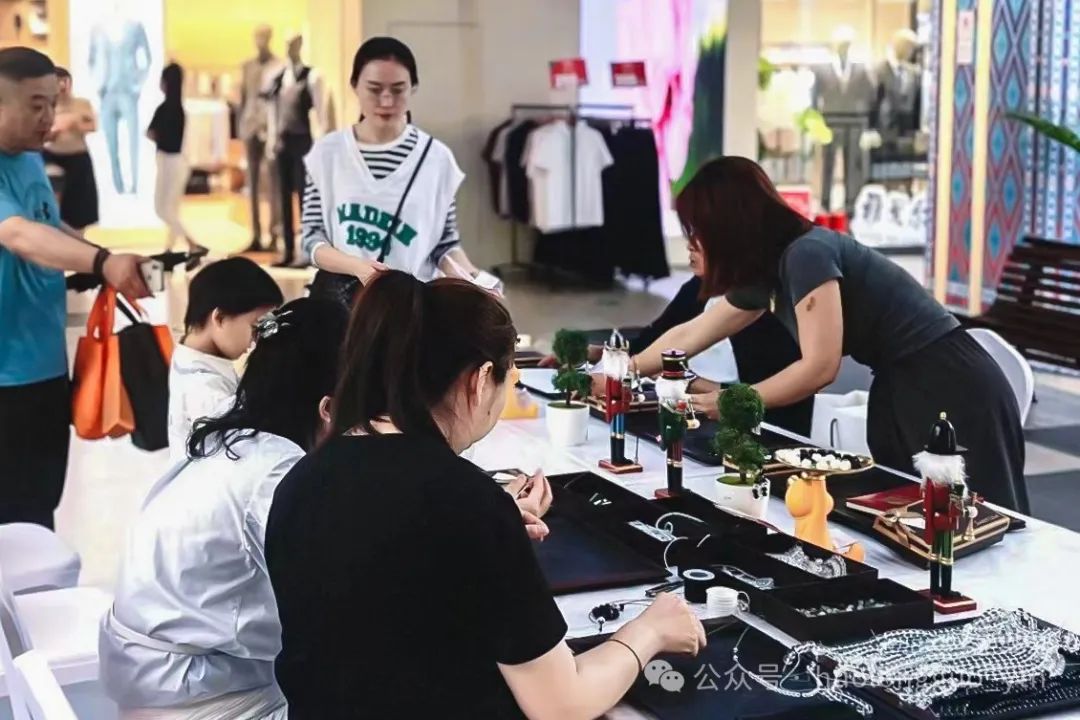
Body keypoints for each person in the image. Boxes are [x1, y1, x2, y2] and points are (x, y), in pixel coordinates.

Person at [265, 270, 706, 718]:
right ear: (479, 380)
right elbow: (562, 705)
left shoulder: (304, 478)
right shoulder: (465, 500)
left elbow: (381, 567)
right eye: (507, 381)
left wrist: (490, 527)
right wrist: (650, 631)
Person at [625, 156, 1027, 512]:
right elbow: (694, 332)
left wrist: (729, 401)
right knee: (918, 517)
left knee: (979, 518)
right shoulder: (770, 270)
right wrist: (625, 371)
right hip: (905, 382)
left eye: (696, 231)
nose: (691, 244)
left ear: (727, 227)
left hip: (947, 383)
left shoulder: (807, 254)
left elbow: (820, 367)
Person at [100, 298, 347, 719]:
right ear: (328, 404)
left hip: (151, 675)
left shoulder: (226, 434)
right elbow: (330, 597)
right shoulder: (277, 472)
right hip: (199, 695)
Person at [0, 47, 148, 528]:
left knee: (39, 506)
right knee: (13, 519)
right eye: (35, 105)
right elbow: (20, 235)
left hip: (43, 366)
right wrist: (102, 262)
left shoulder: (27, 157)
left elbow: (48, 224)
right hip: (6, 378)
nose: (49, 118)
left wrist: (104, 260)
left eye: (52, 103)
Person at [542, 240, 813, 435]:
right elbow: (650, 344)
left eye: (701, 239)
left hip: (752, 428)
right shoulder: (697, 289)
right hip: (692, 414)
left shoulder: (759, 310)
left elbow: (772, 397)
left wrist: (685, 381)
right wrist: (596, 353)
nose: (690, 247)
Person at [302, 37, 482, 305]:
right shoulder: (327, 154)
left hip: (410, 306)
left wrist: (473, 280)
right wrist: (358, 268)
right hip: (343, 305)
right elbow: (311, 240)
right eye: (374, 89)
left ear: (413, 88)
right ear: (355, 86)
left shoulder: (437, 159)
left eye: (398, 90)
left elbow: (445, 246)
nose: (386, 100)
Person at [167, 257, 283, 463]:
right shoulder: (208, 392)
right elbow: (239, 460)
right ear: (219, 318)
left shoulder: (187, 353)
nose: (259, 338)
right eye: (255, 327)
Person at [148, 62, 204, 253]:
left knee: (162, 209)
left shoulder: (164, 109)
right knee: (172, 209)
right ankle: (169, 248)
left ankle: (192, 243)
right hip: (180, 161)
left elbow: (152, 133)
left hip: (168, 161)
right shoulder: (180, 110)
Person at [239, 24, 283, 253]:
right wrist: (241, 128)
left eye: (264, 37)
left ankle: (274, 234)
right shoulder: (247, 66)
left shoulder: (279, 66)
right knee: (253, 185)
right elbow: (243, 98)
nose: (261, 41)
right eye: (258, 37)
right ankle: (255, 235)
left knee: (273, 184)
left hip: (270, 129)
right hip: (250, 128)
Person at [43, 66, 100, 230]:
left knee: (80, 205)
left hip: (77, 156)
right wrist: (55, 130)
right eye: (57, 82)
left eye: (65, 81)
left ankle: (78, 236)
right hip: (52, 156)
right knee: (52, 199)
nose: (62, 86)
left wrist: (74, 123)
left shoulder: (82, 104)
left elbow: (92, 126)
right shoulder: (46, 105)